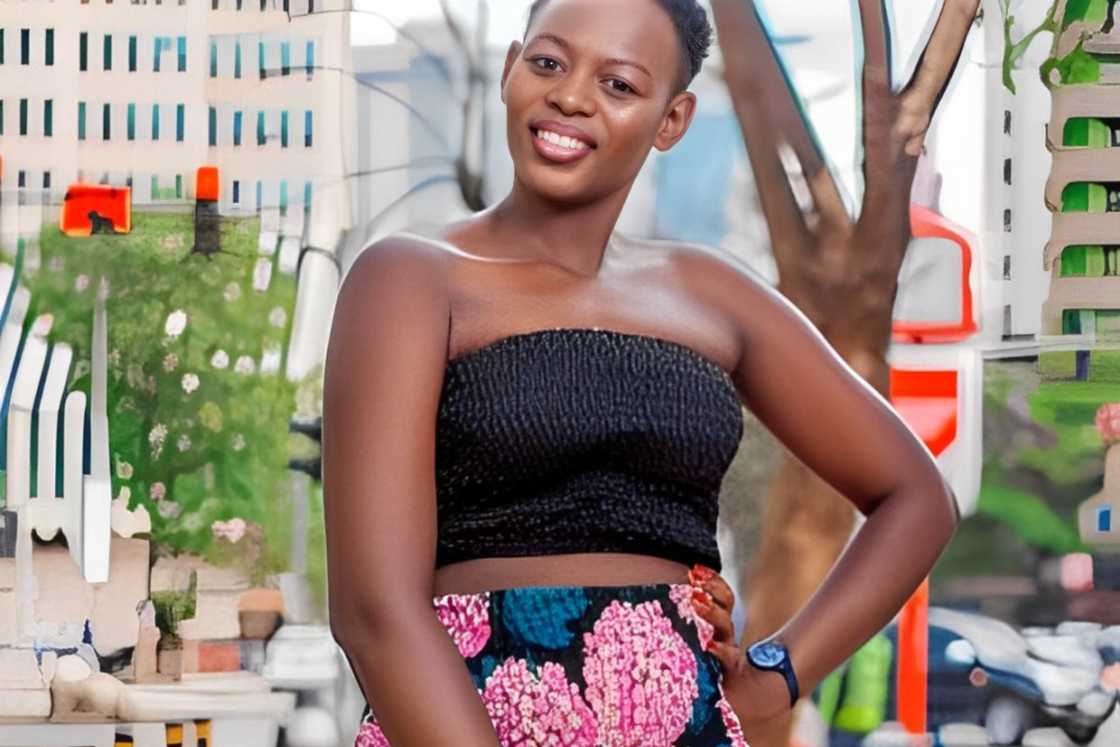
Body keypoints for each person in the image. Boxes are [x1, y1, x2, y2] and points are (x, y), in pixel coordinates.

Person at [322, 0, 960, 744]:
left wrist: (773, 675)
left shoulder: (710, 292)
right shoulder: (409, 278)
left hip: (680, 718)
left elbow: (917, 498)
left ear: (672, 120)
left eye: (619, 84)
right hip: (460, 716)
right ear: (509, 71)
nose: (570, 95)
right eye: (549, 62)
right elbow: (375, 611)